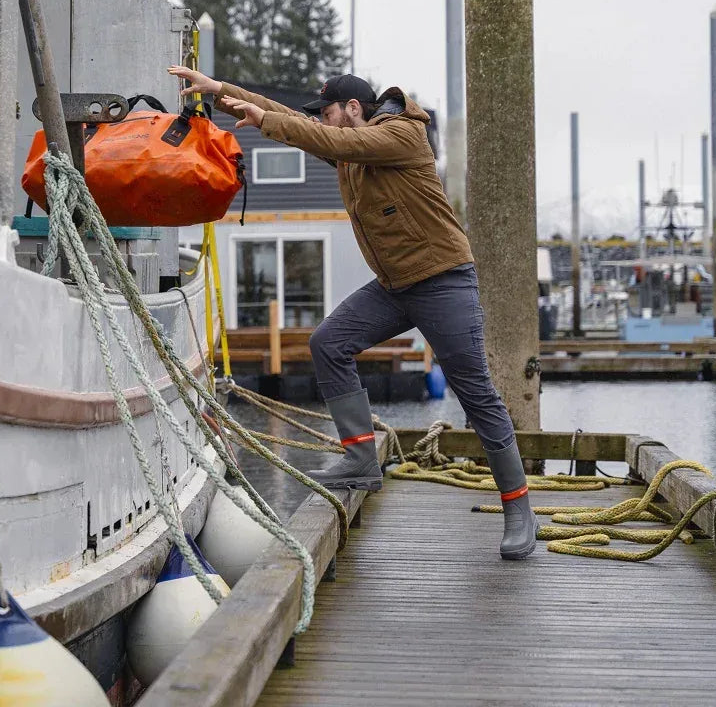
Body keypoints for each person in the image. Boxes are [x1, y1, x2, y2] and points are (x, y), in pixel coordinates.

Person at [168, 66, 538, 560]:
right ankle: (361, 457)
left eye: (329, 113)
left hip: (443, 281)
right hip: (395, 287)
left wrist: (269, 120)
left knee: (477, 396)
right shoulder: (350, 149)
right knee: (328, 343)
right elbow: (295, 122)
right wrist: (223, 92)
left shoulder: (401, 135)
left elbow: (327, 139)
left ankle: (519, 509)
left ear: (354, 111)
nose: (324, 121)